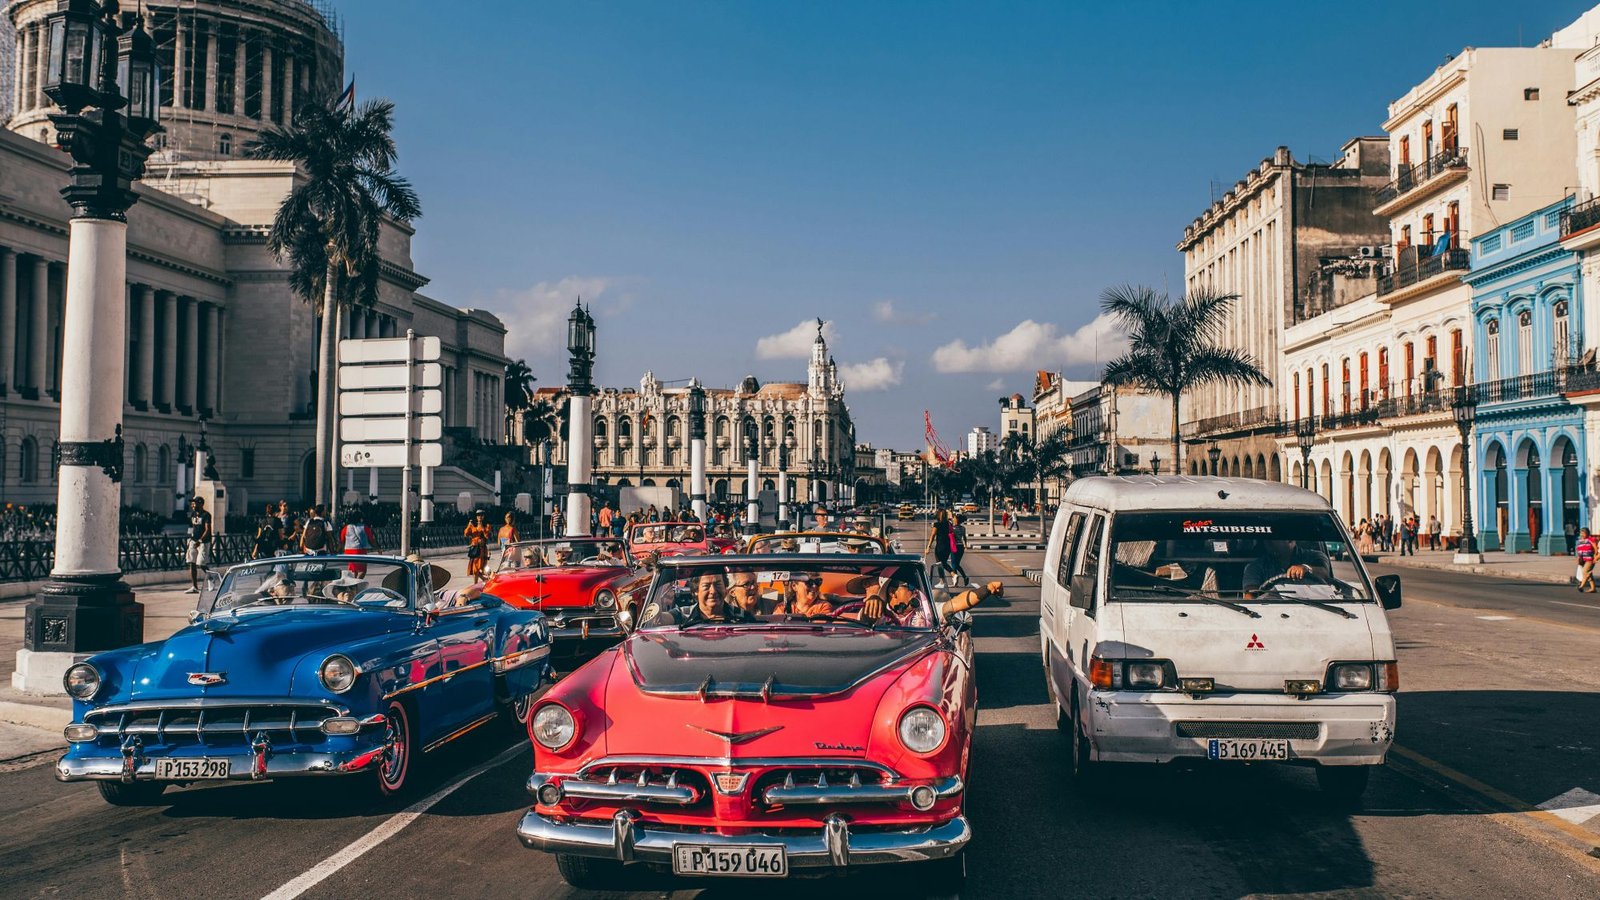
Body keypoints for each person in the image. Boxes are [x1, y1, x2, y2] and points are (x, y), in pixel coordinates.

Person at [1241, 539, 1333, 598]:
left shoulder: (1315, 556)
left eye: (1274, 538)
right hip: (1270, 612)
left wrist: (1307, 568)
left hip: (1316, 608)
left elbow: (1325, 573)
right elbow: (1250, 596)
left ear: (1290, 541)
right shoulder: (1256, 566)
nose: (1267, 542)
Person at [184, 496, 213, 593]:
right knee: (192, 563)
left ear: (201, 504)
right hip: (193, 541)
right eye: (192, 503)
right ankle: (195, 587)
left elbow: (207, 530)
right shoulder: (193, 514)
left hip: (203, 542)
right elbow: (191, 527)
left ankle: (211, 579)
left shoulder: (206, 515)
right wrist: (189, 539)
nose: (192, 505)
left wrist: (200, 541)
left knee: (201, 563)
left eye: (195, 503)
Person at [340, 509, 379, 577]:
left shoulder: (346, 528)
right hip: (360, 551)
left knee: (354, 570)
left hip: (348, 551)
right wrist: (377, 548)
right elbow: (371, 540)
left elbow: (342, 540)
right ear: (360, 518)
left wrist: (337, 550)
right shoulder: (364, 527)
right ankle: (356, 584)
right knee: (362, 570)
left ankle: (353, 583)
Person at [926, 509, 954, 587]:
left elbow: (933, 535)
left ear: (938, 516)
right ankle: (950, 577)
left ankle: (943, 580)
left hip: (940, 547)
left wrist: (928, 547)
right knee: (943, 563)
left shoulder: (937, 524)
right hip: (948, 547)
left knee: (939, 564)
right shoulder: (949, 524)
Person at [464, 510, 492, 582]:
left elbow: (487, 536)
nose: (479, 517)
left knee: (482, 568)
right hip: (474, 550)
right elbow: (466, 534)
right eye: (478, 515)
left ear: (484, 516)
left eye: (481, 515)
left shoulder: (487, 525)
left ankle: (488, 579)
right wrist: (469, 525)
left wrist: (482, 527)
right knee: (474, 569)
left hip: (482, 550)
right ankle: (477, 583)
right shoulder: (473, 525)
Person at [948, 514, 970, 586]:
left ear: (957, 520)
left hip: (954, 547)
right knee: (956, 564)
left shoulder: (953, 528)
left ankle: (957, 580)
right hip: (961, 547)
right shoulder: (963, 528)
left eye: (954, 518)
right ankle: (962, 578)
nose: (953, 519)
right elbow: (964, 537)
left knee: (954, 564)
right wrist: (965, 545)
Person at [1578, 528, 1597, 593]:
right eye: (1581, 533)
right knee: (1589, 574)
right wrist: (1579, 559)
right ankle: (1593, 588)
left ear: (1587, 533)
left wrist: (1595, 557)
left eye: (1584, 533)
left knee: (1585, 571)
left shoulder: (1591, 539)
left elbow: (1596, 549)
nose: (1582, 534)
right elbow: (1579, 551)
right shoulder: (1580, 541)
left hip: (1590, 559)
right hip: (1583, 560)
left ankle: (1581, 586)